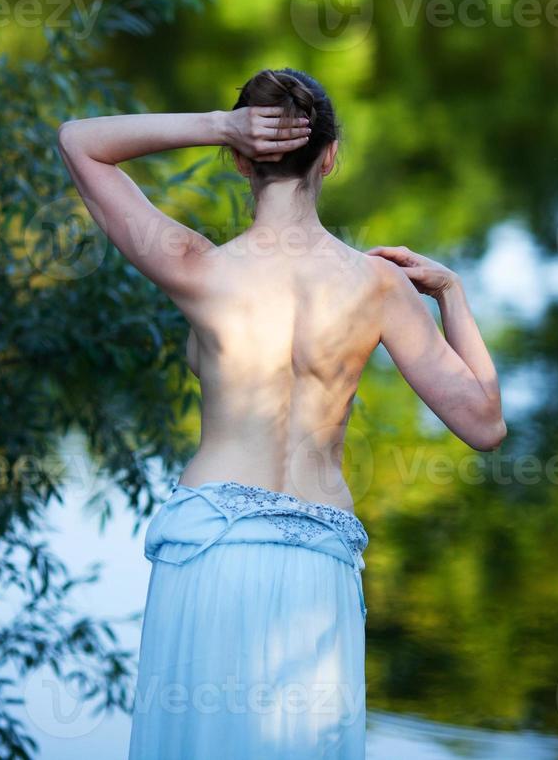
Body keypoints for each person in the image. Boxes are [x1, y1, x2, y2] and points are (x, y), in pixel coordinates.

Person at [57, 67, 506, 758]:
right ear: (331, 156)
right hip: (315, 561)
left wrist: (216, 124)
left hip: (211, 553)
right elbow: (484, 424)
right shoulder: (381, 285)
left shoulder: (197, 269)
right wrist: (451, 293)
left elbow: (80, 140)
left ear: (240, 159)